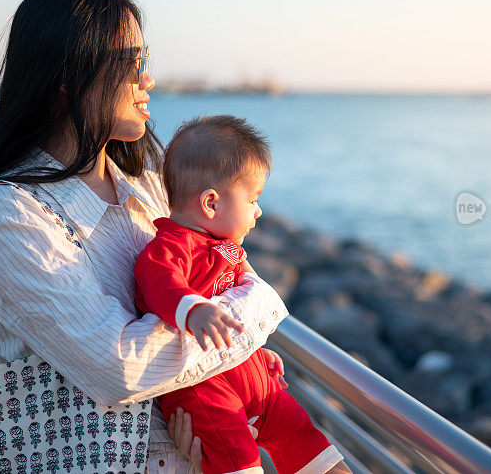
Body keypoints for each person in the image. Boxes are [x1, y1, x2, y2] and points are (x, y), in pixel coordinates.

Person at [0, 0, 287, 473]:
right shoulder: (9, 213)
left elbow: (231, 268)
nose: (146, 80)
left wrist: (191, 406)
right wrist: (253, 321)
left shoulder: (148, 188)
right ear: (68, 78)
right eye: (130, 64)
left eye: (143, 62)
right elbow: (121, 367)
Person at [136, 115, 350, 474]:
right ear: (211, 203)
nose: (259, 211)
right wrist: (193, 311)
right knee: (240, 462)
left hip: (250, 376)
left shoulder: (226, 249)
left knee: (307, 441)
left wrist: (255, 349)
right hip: (205, 390)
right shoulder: (172, 245)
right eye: (252, 199)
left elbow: (239, 314)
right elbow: (159, 282)